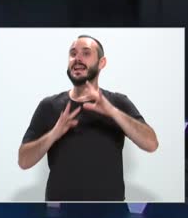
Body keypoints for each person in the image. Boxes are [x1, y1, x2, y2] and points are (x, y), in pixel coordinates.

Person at [17, 35, 158, 201]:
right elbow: (24, 161)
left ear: (101, 62)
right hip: (60, 211)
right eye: (73, 53)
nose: (77, 58)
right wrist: (54, 133)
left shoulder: (118, 102)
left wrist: (112, 111)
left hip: (109, 211)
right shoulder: (49, 106)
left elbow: (151, 143)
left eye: (86, 53)